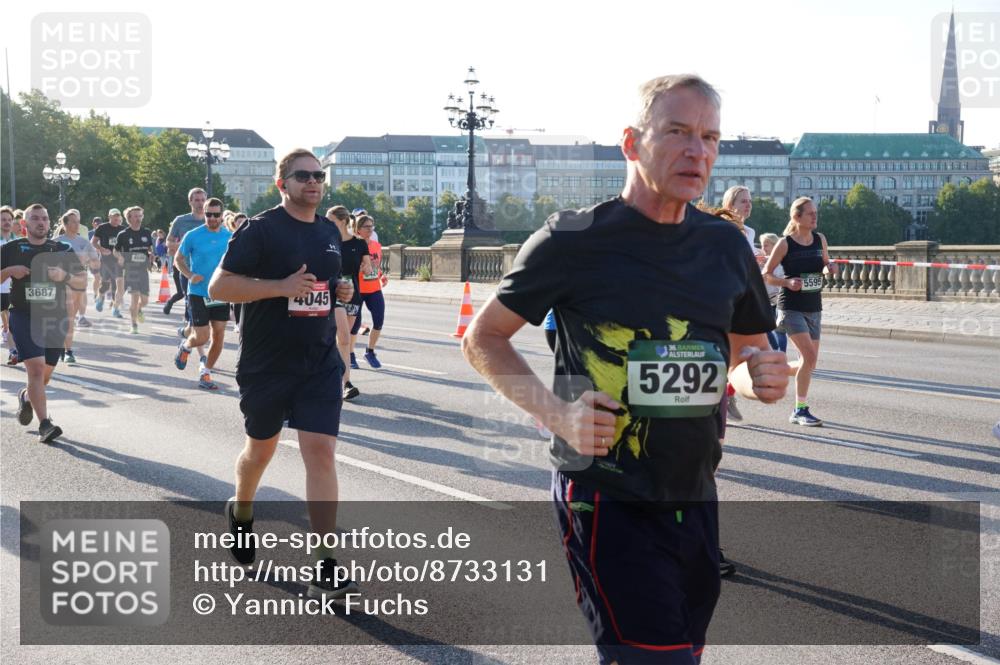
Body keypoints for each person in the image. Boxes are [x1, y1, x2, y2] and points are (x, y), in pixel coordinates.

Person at [461, 75, 791, 665]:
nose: (698, 151)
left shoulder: (725, 246)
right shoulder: (572, 239)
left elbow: (745, 357)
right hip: (607, 498)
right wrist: (558, 414)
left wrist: (760, 378)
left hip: (696, 492)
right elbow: (483, 337)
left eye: (710, 137)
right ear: (631, 142)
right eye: (678, 133)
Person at [209, 148, 357, 599]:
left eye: (318, 175)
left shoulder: (330, 231)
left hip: (318, 362)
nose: (313, 182)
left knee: (321, 454)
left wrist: (339, 289)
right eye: (302, 176)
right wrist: (280, 288)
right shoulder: (262, 229)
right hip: (267, 363)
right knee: (260, 450)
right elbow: (219, 286)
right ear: (283, 184)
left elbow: (322, 286)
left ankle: (326, 564)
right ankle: (243, 508)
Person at [0, 203, 86, 442]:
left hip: (54, 317)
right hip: (23, 315)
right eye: (35, 218)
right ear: (24, 224)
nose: (41, 222)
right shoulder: (10, 249)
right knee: (36, 370)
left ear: (49, 223)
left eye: (45, 219)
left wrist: (64, 276)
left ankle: (27, 397)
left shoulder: (62, 248)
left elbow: (81, 281)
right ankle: (45, 424)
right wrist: (9, 270)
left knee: (45, 375)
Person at [763, 197, 837, 427]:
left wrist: (829, 268)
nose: (815, 217)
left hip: (814, 307)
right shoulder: (785, 243)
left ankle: (776, 371)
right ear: (797, 217)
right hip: (791, 308)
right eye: (810, 214)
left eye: (816, 213)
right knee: (809, 358)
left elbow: (824, 264)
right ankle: (800, 410)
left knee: (809, 363)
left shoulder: (820, 239)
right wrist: (786, 283)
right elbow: (766, 273)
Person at [173, 197, 232, 390]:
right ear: (204, 214)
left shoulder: (229, 236)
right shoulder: (193, 235)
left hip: (221, 291)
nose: (212, 218)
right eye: (208, 214)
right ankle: (186, 346)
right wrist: (190, 275)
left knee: (219, 335)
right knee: (202, 336)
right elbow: (178, 259)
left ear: (222, 216)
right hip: (198, 292)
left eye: (216, 215)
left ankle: (205, 372)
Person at [326, 206, 373, 400]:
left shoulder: (360, 243)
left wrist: (366, 266)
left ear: (343, 221)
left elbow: (368, 268)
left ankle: (340, 379)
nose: (327, 224)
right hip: (333, 291)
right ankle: (346, 383)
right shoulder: (328, 242)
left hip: (353, 292)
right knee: (343, 337)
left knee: (343, 341)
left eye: (331, 221)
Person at [53, 209, 100, 362]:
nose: (76, 224)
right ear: (65, 224)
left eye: (77, 221)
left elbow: (95, 261)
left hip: (77, 281)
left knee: (69, 318)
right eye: (73, 221)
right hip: (59, 281)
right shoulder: (57, 240)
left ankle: (68, 350)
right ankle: (63, 347)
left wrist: (93, 266)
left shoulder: (83, 242)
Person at [350, 214, 387, 369]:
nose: (370, 229)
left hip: (374, 288)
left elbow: (376, 265)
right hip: (357, 289)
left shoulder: (376, 246)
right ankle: (350, 354)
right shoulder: (353, 245)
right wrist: (362, 267)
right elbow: (348, 267)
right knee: (355, 324)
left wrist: (381, 275)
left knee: (379, 320)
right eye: (367, 226)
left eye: (372, 226)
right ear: (358, 229)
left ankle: (370, 351)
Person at [164, 188, 207, 316]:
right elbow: (168, 242)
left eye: (203, 200)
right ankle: (190, 328)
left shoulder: (212, 220)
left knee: (209, 305)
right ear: (190, 202)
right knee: (191, 301)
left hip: (208, 269)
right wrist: (182, 245)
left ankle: (195, 330)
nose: (200, 203)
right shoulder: (181, 220)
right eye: (197, 200)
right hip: (187, 268)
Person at [114, 206, 155, 334]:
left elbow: (149, 248)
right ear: (129, 218)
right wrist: (120, 257)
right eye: (135, 216)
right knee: (135, 298)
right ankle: (134, 325)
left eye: (140, 216)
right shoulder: (123, 234)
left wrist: (151, 255)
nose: (138, 218)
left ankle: (139, 310)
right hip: (131, 270)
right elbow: (115, 250)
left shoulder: (146, 232)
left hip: (143, 270)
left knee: (145, 301)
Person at [91, 208, 125, 317]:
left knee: (117, 285)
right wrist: (101, 249)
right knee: (105, 284)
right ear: (109, 217)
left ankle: (116, 309)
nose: (116, 218)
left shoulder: (123, 229)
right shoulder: (102, 228)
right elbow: (93, 242)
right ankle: (100, 297)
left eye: (118, 216)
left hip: (118, 261)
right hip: (105, 259)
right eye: (114, 216)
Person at [759, 233, 787, 353]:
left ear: (775, 246)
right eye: (762, 246)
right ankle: (776, 351)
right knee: (764, 328)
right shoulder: (762, 262)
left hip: (778, 301)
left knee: (779, 331)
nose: (763, 249)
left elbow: (782, 281)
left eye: (766, 245)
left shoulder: (780, 262)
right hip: (766, 301)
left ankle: (781, 355)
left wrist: (768, 275)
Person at [1, 206, 19, 365]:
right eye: (3, 220)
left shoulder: (17, 242)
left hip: (12, 288)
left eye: (9, 220)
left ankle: (12, 351)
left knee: (12, 320)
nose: (6, 222)